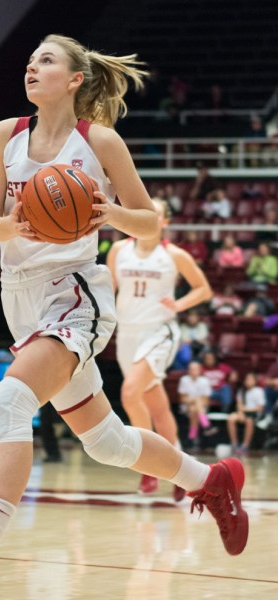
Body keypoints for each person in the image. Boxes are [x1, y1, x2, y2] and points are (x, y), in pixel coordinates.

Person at [0, 34, 249, 597]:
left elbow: (147, 222)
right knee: (108, 443)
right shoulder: (6, 135)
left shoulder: (100, 142)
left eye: (45, 60)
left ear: (74, 79)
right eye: (29, 60)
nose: (31, 66)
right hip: (19, 296)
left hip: (74, 292)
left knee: (10, 398)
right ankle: (210, 480)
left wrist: (108, 211)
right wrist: (19, 221)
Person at [107, 197, 212, 498]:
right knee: (156, 405)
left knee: (129, 393)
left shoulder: (174, 255)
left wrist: (179, 304)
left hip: (159, 332)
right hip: (127, 333)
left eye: (157, 214)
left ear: (164, 222)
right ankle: (182, 466)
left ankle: (147, 468)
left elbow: (204, 288)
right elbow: (110, 287)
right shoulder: (118, 250)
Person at [178, 362, 216, 445]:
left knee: (194, 410)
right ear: (188, 370)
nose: (193, 371)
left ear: (199, 370)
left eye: (195, 369)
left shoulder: (204, 381)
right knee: (196, 402)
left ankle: (192, 438)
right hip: (186, 406)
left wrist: (194, 400)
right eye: (191, 369)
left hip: (200, 407)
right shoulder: (184, 379)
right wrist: (195, 400)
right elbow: (182, 399)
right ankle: (206, 425)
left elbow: (206, 400)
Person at [227, 372, 265, 453]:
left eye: (251, 379)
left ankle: (245, 445)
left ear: (255, 381)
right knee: (231, 418)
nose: (248, 381)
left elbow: (260, 408)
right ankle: (234, 444)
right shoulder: (241, 391)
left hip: (253, 414)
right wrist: (241, 413)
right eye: (247, 379)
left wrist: (245, 410)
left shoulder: (259, 391)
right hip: (243, 413)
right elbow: (239, 405)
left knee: (249, 421)